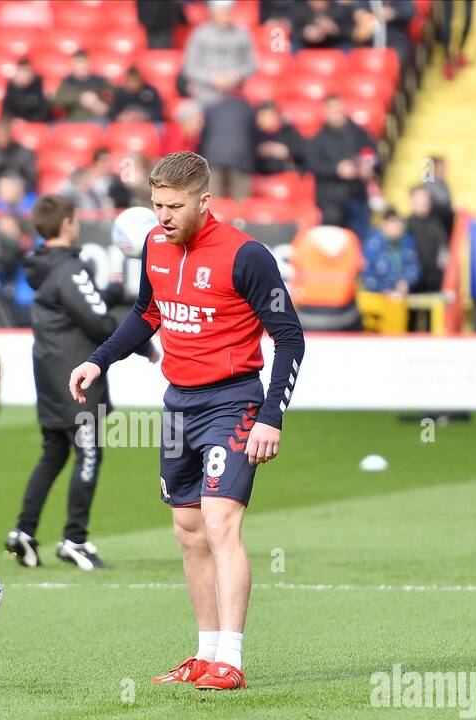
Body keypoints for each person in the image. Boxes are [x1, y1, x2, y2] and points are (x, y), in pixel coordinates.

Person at [68, 151, 305, 691]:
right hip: (178, 404)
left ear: (204, 200)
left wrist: (272, 415)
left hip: (234, 402)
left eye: (175, 206)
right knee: (188, 530)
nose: (164, 217)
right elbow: (147, 313)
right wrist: (98, 359)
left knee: (221, 523)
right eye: (156, 206)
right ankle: (203, 654)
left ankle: (233, 658)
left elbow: (290, 337)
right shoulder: (155, 245)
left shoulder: (248, 256)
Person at [7, 195, 160, 569]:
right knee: (88, 453)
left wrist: (109, 292)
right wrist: (142, 344)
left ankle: (23, 532)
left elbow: (75, 305)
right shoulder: (71, 269)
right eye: (74, 221)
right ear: (66, 225)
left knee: (53, 454)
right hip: (76, 379)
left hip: (48, 375)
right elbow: (98, 322)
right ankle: (74, 539)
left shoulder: (44, 267)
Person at [306, 94, 379, 240]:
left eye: (338, 109)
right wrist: (337, 169)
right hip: (331, 202)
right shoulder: (318, 139)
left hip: (358, 196)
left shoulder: (360, 133)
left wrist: (368, 168)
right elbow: (313, 164)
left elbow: (374, 155)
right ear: (325, 113)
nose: (336, 114)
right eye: (332, 111)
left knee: (361, 241)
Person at [180, 0, 257, 107]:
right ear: (212, 12)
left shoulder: (243, 34)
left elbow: (252, 65)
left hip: (235, 94)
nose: (225, 14)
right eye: (221, 10)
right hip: (205, 95)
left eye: (227, 10)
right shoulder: (199, 34)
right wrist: (210, 77)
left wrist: (236, 75)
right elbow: (189, 67)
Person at [361, 208, 421, 298]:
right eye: (392, 222)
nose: (397, 226)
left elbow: (414, 266)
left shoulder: (407, 242)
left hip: (401, 299)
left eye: (399, 222)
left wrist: (406, 281)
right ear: (383, 224)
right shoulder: (372, 245)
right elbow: (366, 273)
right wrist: (382, 290)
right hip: (377, 300)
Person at [406, 186, 447, 294]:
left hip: (435, 281)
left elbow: (443, 248)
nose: (424, 201)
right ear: (411, 202)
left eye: (426, 198)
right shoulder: (406, 225)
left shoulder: (436, 223)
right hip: (414, 282)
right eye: (420, 198)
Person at [53, 49, 111, 122]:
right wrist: (81, 97)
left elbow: (110, 99)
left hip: (95, 120)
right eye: (78, 62)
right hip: (73, 121)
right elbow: (57, 100)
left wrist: (102, 106)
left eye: (84, 62)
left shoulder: (99, 81)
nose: (82, 65)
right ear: (73, 64)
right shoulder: (67, 82)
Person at [252, 101, 306, 175]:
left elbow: (304, 152)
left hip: (286, 177)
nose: (267, 119)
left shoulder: (287, 131)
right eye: (263, 115)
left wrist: (286, 151)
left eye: (271, 115)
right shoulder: (254, 133)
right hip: (260, 177)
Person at [2, 57, 51, 122]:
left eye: (30, 71)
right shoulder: (7, 88)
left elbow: (43, 111)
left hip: (38, 125)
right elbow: (6, 111)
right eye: (24, 71)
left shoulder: (40, 84)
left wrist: (27, 121)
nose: (28, 74)